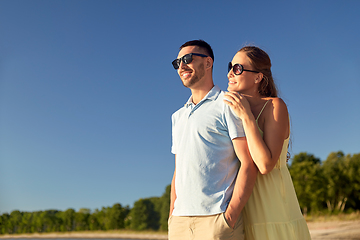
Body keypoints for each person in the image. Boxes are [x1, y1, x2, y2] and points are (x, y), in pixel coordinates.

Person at [168, 40, 258, 240]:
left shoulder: (228, 104)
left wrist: (230, 217)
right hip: (179, 223)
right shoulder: (177, 117)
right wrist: (172, 215)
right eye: (177, 63)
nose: (181, 66)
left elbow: (248, 162)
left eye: (187, 59)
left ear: (208, 63)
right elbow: (178, 171)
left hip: (216, 221)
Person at [223, 46, 311, 240]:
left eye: (237, 68)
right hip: (244, 214)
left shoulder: (274, 106)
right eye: (230, 66)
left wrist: (246, 116)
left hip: (276, 212)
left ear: (257, 77)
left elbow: (265, 165)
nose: (230, 72)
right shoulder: (228, 111)